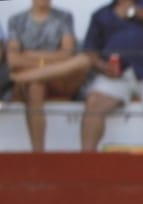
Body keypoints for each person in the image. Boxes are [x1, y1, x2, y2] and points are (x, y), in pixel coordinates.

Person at [80, 0, 143, 153]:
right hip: (115, 77)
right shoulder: (101, 14)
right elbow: (90, 51)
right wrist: (102, 66)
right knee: (93, 102)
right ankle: (86, 163)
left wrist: (133, 12)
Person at [6, 0, 92, 152]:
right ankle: (39, 154)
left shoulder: (64, 17)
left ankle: (18, 78)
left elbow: (67, 54)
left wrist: (29, 56)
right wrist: (51, 62)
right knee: (36, 85)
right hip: (33, 83)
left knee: (83, 61)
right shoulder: (16, 20)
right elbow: (13, 59)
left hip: (55, 80)